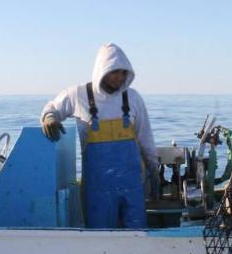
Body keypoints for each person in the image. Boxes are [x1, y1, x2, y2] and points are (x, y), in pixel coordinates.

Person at [40, 43, 158, 229]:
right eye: (115, 71)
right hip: (98, 189)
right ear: (102, 70)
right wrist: (49, 118)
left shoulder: (133, 98)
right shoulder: (78, 95)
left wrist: (154, 169)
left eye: (123, 72)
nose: (120, 77)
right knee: (99, 236)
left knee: (137, 235)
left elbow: (146, 138)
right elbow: (52, 107)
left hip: (132, 186)